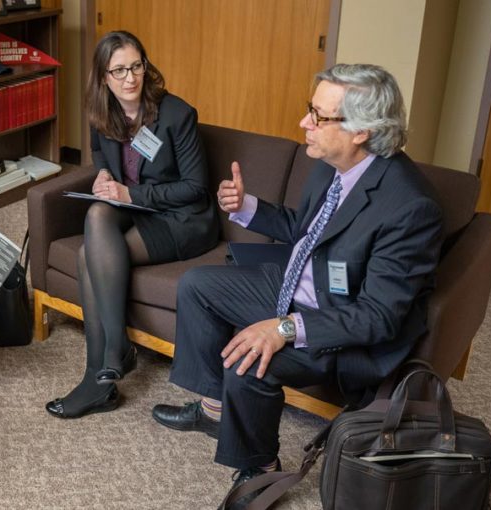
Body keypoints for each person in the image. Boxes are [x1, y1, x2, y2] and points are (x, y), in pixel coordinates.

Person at [151, 63, 443, 508]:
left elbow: (378, 317)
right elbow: (308, 230)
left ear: (361, 130)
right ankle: (216, 410)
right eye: (311, 110)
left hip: (341, 324)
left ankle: (260, 469)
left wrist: (284, 328)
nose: (304, 123)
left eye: (318, 116)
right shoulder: (331, 163)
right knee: (197, 286)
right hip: (299, 284)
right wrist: (247, 207)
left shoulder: (408, 206)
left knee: (247, 361)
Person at [45, 31, 219, 419]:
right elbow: (97, 152)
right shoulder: (102, 111)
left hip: (182, 218)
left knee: (92, 253)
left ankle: (100, 376)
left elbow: (194, 188)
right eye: (119, 69)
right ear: (103, 77)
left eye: (136, 66)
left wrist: (129, 196)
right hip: (137, 207)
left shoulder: (177, 114)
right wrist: (104, 177)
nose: (130, 78)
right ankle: (111, 356)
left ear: (146, 65)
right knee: (96, 213)